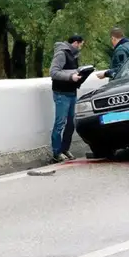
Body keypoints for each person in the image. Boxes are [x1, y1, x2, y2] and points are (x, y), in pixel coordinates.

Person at [49, 34, 85, 162]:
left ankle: (65, 149)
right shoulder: (62, 53)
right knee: (60, 123)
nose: (81, 47)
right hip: (61, 93)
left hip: (72, 92)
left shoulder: (74, 55)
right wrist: (71, 77)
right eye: (81, 44)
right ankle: (56, 152)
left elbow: (69, 70)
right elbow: (53, 72)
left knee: (71, 123)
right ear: (76, 43)